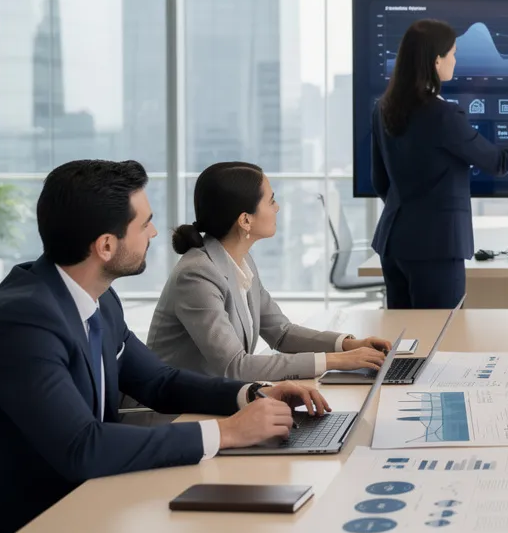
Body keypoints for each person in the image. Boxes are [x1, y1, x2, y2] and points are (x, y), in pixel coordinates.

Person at [0, 160, 330, 533]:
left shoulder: (95, 298)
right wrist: (229, 433)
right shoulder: (22, 322)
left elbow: (159, 382)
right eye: (144, 224)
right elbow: (82, 446)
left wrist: (252, 394)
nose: (156, 232)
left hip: (71, 504)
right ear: (105, 245)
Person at [371, 18, 508, 308]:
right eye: (453, 53)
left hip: (393, 242)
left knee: (403, 340)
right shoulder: (442, 115)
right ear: (436, 61)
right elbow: (498, 163)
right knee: (439, 337)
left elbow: (380, 181)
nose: (456, 61)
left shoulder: (382, 108)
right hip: (437, 247)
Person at [147, 162, 390, 381]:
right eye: (271, 201)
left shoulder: (240, 260)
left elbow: (281, 334)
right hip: (174, 416)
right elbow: (235, 367)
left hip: (212, 401)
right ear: (245, 220)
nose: (278, 207)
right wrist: (335, 361)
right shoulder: (197, 275)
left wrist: (348, 345)